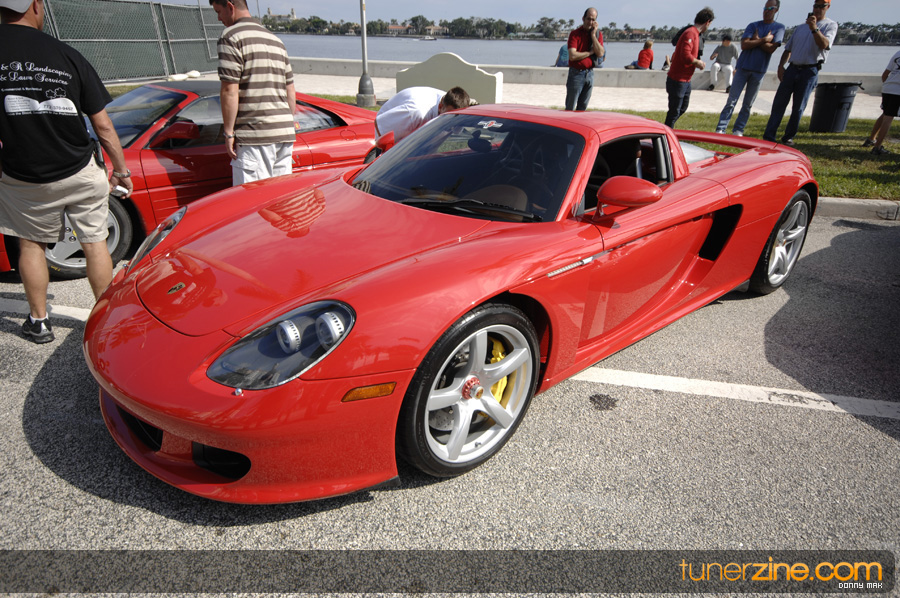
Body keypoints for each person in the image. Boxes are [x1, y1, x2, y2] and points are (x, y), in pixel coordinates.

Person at [0, 0, 132, 344]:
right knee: (95, 243)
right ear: (35, 6)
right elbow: (103, 126)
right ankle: (107, 321)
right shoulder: (66, 54)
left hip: (24, 176)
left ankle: (39, 322)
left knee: (30, 245)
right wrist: (121, 170)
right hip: (79, 169)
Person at [210, 0, 296, 185]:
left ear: (230, 6)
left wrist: (228, 133)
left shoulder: (231, 37)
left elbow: (229, 90)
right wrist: (285, 122)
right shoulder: (275, 40)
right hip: (284, 134)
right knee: (280, 197)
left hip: (255, 135)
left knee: (252, 199)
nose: (218, 18)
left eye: (218, 11)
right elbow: (290, 90)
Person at [763, 0, 838, 146]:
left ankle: (788, 137)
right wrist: (781, 66)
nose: (817, 9)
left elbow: (824, 44)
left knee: (798, 107)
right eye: (815, 6)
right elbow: (788, 49)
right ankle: (769, 135)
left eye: (821, 6)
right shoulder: (800, 28)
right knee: (779, 103)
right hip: (792, 69)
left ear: (827, 7)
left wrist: (814, 28)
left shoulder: (830, 25)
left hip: (809, 71)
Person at [715, 0, 785, 136]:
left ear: (776, 10)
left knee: (748, 104)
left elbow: (771, 49)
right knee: (732, 100)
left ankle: (738, 129)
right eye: (765, 8)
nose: (766, 11)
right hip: (743, 68)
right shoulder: (753, 25)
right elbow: (744, 45)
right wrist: (764, 40)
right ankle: (721, 128)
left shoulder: (779, 28)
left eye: (770, 8)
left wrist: (756, 40)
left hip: (759, 71)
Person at [665, 7, 715, 128]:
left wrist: (696, 63)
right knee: (674, 112)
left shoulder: (695, 34)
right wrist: (698, 62)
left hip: (686, 80)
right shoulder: (690, 33)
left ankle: (666, 130)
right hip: (678, 80)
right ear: (708, 22)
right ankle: (665, 133)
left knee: (682, 108)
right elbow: (685, 56)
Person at [374, 87, 470, 143]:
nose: (451, 123)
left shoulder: (456, 110)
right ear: (440, 106)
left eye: (455, 119)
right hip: (395, 123)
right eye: (448, 117)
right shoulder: (416, 112)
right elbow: (380, 130)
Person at [565, 7, 605, 111]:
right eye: (588, 19)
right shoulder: (575, 34)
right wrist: (590, 53)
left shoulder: (597, 34)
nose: (590, 22)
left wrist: (593, 36)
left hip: (590, 74)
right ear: (583, 18)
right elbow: (573, 56)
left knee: (582, 108)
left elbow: (600, 53)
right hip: (576, 74)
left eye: (593, 20)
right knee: (570, 107)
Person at [862, 49, 900, 156]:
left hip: (888, 88)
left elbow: (885, 74)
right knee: (889, 117)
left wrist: (887, 86)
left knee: (885, 114)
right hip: (897, 91)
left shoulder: (898, 53)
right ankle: (877, 147)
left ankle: (871, 139)